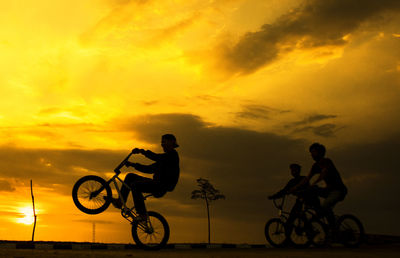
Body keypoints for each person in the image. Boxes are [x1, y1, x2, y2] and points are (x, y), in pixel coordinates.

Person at [110, 134, 180, 220]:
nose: (162, 144)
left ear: (171, 142)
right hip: (155, 183)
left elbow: (155, 157)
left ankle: (142, 214)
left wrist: (141, 151)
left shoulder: (172, 156)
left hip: (161, 186)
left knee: (136, 185)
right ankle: (120, 201)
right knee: (130, 176)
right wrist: (133, 164)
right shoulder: (163, 160)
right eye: (161, 142)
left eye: (163, 142)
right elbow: (148, 169)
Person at [298, 143, 347, 228]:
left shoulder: (326, 161)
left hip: (338, 190)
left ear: (320, 153)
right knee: (314, 192)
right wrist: (293, 189)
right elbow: (306, 179)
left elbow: (324, 173)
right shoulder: (315, 166)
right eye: (311, 153)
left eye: (313, 152)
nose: (311, 155)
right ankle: (319, 212)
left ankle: (334, 228)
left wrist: (314, 183)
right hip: (328, 190)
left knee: (325, 205)